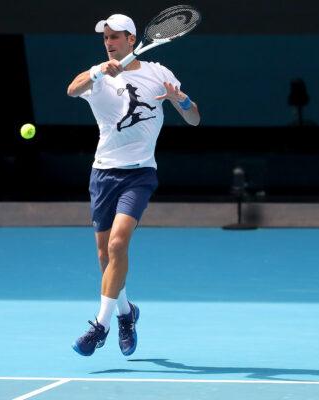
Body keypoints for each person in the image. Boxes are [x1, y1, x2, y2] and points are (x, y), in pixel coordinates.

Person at [66, 13, 200, 357]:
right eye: (105, 38)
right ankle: (127, 312)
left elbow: (194, 117)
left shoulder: (158, 72)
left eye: (114, 37)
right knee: (104, 255)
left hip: (139, 174)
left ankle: (100, 325)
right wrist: (98, 71)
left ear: (131, 39)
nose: (109, 43)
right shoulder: (99, 75)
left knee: (118, 243)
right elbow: (72, 89)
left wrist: (178, 100)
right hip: (103, 174)